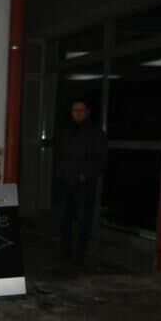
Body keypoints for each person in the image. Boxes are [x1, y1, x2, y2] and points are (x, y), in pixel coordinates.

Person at [56, 100, 108, 264]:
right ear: (71, 112)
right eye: (75, 110)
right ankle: (65, 252)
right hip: (66, 181)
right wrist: (60, 173)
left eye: (81, 110)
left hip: (83, 183)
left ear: (87, 112)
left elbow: (102, 159)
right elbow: (61, 154)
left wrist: (86, 175)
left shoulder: (95, 133)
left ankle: (79, 255)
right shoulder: (67, 131)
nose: (78, 113)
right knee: (64, 219)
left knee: (83, 220)